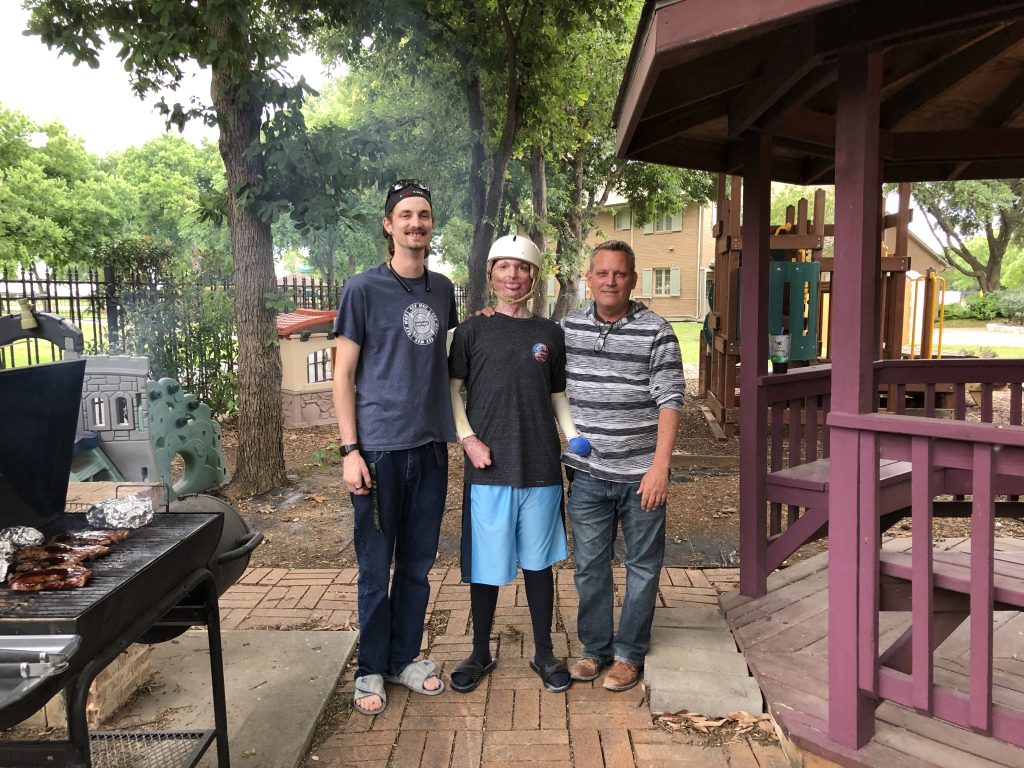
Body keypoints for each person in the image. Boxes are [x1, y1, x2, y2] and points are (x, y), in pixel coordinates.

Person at [331, 179, 458, 715]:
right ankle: (369, 668)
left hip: (430, 448)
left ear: (431, 225)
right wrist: (350, 451)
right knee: (375, 566)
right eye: (405, 215)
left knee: (417, 564)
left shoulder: (443, 289)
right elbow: (342, 376)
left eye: (423, 215)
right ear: (388, 225)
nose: (415, 223)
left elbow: (446, 363)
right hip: (379, 450)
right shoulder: (362, 289)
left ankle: (403, 658)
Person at [447, 235, 591, 694]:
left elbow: (557, 393)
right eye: (504, 267)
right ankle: (479, 652)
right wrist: (468, 439)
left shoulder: (550, 334)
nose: (514, 275)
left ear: (534, 276)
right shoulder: (470, 331)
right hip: (488, 468)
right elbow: (451, 390)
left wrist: (572, 435)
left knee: (538, 563)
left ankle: (545, 652)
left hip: (541, 465)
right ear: (490, 274)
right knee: (485, 564)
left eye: (523, 267)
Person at [563, 239, 685, 692]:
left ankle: (629, 654)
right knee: (589, 567)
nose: (610, 281)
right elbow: (527, 351)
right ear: (588, 278)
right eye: (602, 273)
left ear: (633, 279)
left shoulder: (657, 331)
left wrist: (660, 468)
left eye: (619, 273)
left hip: (641, 477)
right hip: (588, 474)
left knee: (643, 567)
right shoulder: (569, 327)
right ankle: (594, 649)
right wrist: (488, 315)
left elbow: (671, 399)